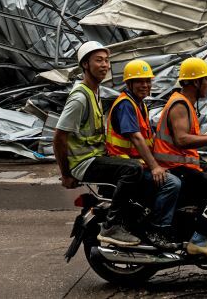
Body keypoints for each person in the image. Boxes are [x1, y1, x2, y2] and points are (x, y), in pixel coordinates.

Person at [52, 41, 143, 247]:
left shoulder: (96, 91)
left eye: (107, 60)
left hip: (96, 157)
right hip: (84, 163)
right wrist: (66, 174)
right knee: (133, 170)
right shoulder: (80, 98)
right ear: (85, 64)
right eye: (98, 60)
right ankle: (112, 226)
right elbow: (59, 137)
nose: (105, 65)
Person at [152, 57, 207, 258]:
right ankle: (199, 239)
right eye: (206, 80)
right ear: (194, 82)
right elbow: (182, 140)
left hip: (181, 166)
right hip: (175, 168)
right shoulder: (180, 105)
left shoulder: (187, 104)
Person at [105, 59, 181, 250]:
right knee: (172, 183)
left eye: (148, 81)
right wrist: (155, 167)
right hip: (127, 166)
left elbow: (149, 139)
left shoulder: (140, 105)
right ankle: (157, 229)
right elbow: (137, 138)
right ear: (129, 83)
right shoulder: (126, 105)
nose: (145, 85)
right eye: (140, 81)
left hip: (138, 163)